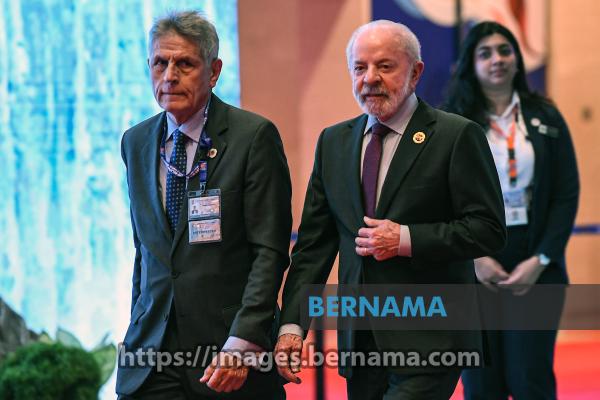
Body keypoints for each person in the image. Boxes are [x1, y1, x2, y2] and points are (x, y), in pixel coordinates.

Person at [275, 20, 506, 400]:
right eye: (359, 67)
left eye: (385, 66)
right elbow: (314, 247)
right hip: (360, 342)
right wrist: (292, 326)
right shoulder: (333, 143)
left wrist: (406, 239)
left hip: (433, 337)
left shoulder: (456, 136)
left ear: (415, 72)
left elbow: (488, 229)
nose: (370, 78)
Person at [116, 10, 292, 399]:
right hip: (152, 355)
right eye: (160, 63)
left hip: (227, 352)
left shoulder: (253, 138)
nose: (169, 76)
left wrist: (244, 340)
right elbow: (146, 250)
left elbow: (269, 252)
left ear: (213, 72)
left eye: (185, 64)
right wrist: (137, 323)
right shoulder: (135, 141)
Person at [443, 21, 580, 400]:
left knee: (529, 378)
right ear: (471, 64)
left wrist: (541, 259)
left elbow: (565, 194)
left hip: (535, 261)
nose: (497, 60)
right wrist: (473, 259)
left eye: (505, 50)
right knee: (481, 383)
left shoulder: (546, 116)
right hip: (475, 261)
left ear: (517, 59)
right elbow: (439, 198)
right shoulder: (452, 123)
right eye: (484, 53)